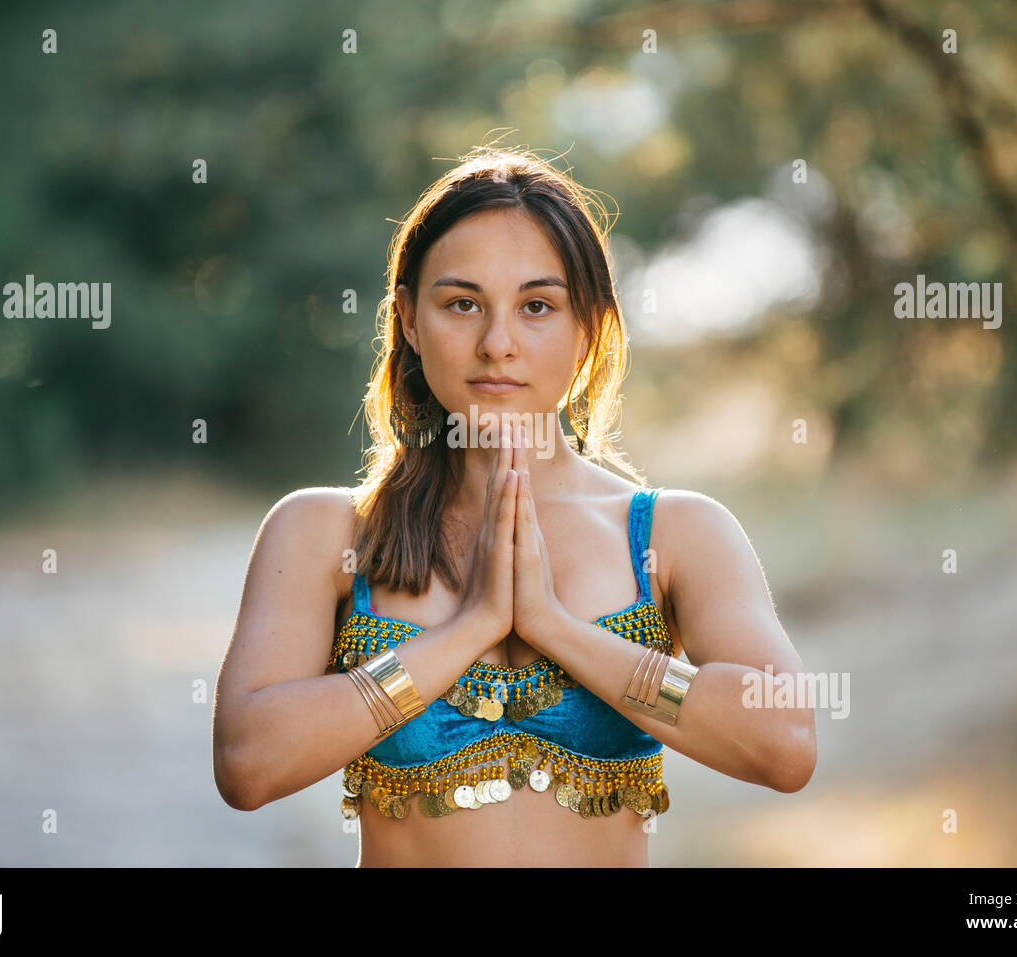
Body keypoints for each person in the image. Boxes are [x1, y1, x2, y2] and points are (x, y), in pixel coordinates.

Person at [212, 146, 816, 866]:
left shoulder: (676, 534)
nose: (497, 344)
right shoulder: (326, 531)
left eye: (537, 306)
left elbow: (786, 743)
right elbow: (247, 764)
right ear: (407, 318)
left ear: (587, 326)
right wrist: (464, 633)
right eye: (462, 303)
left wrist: (559, 630)